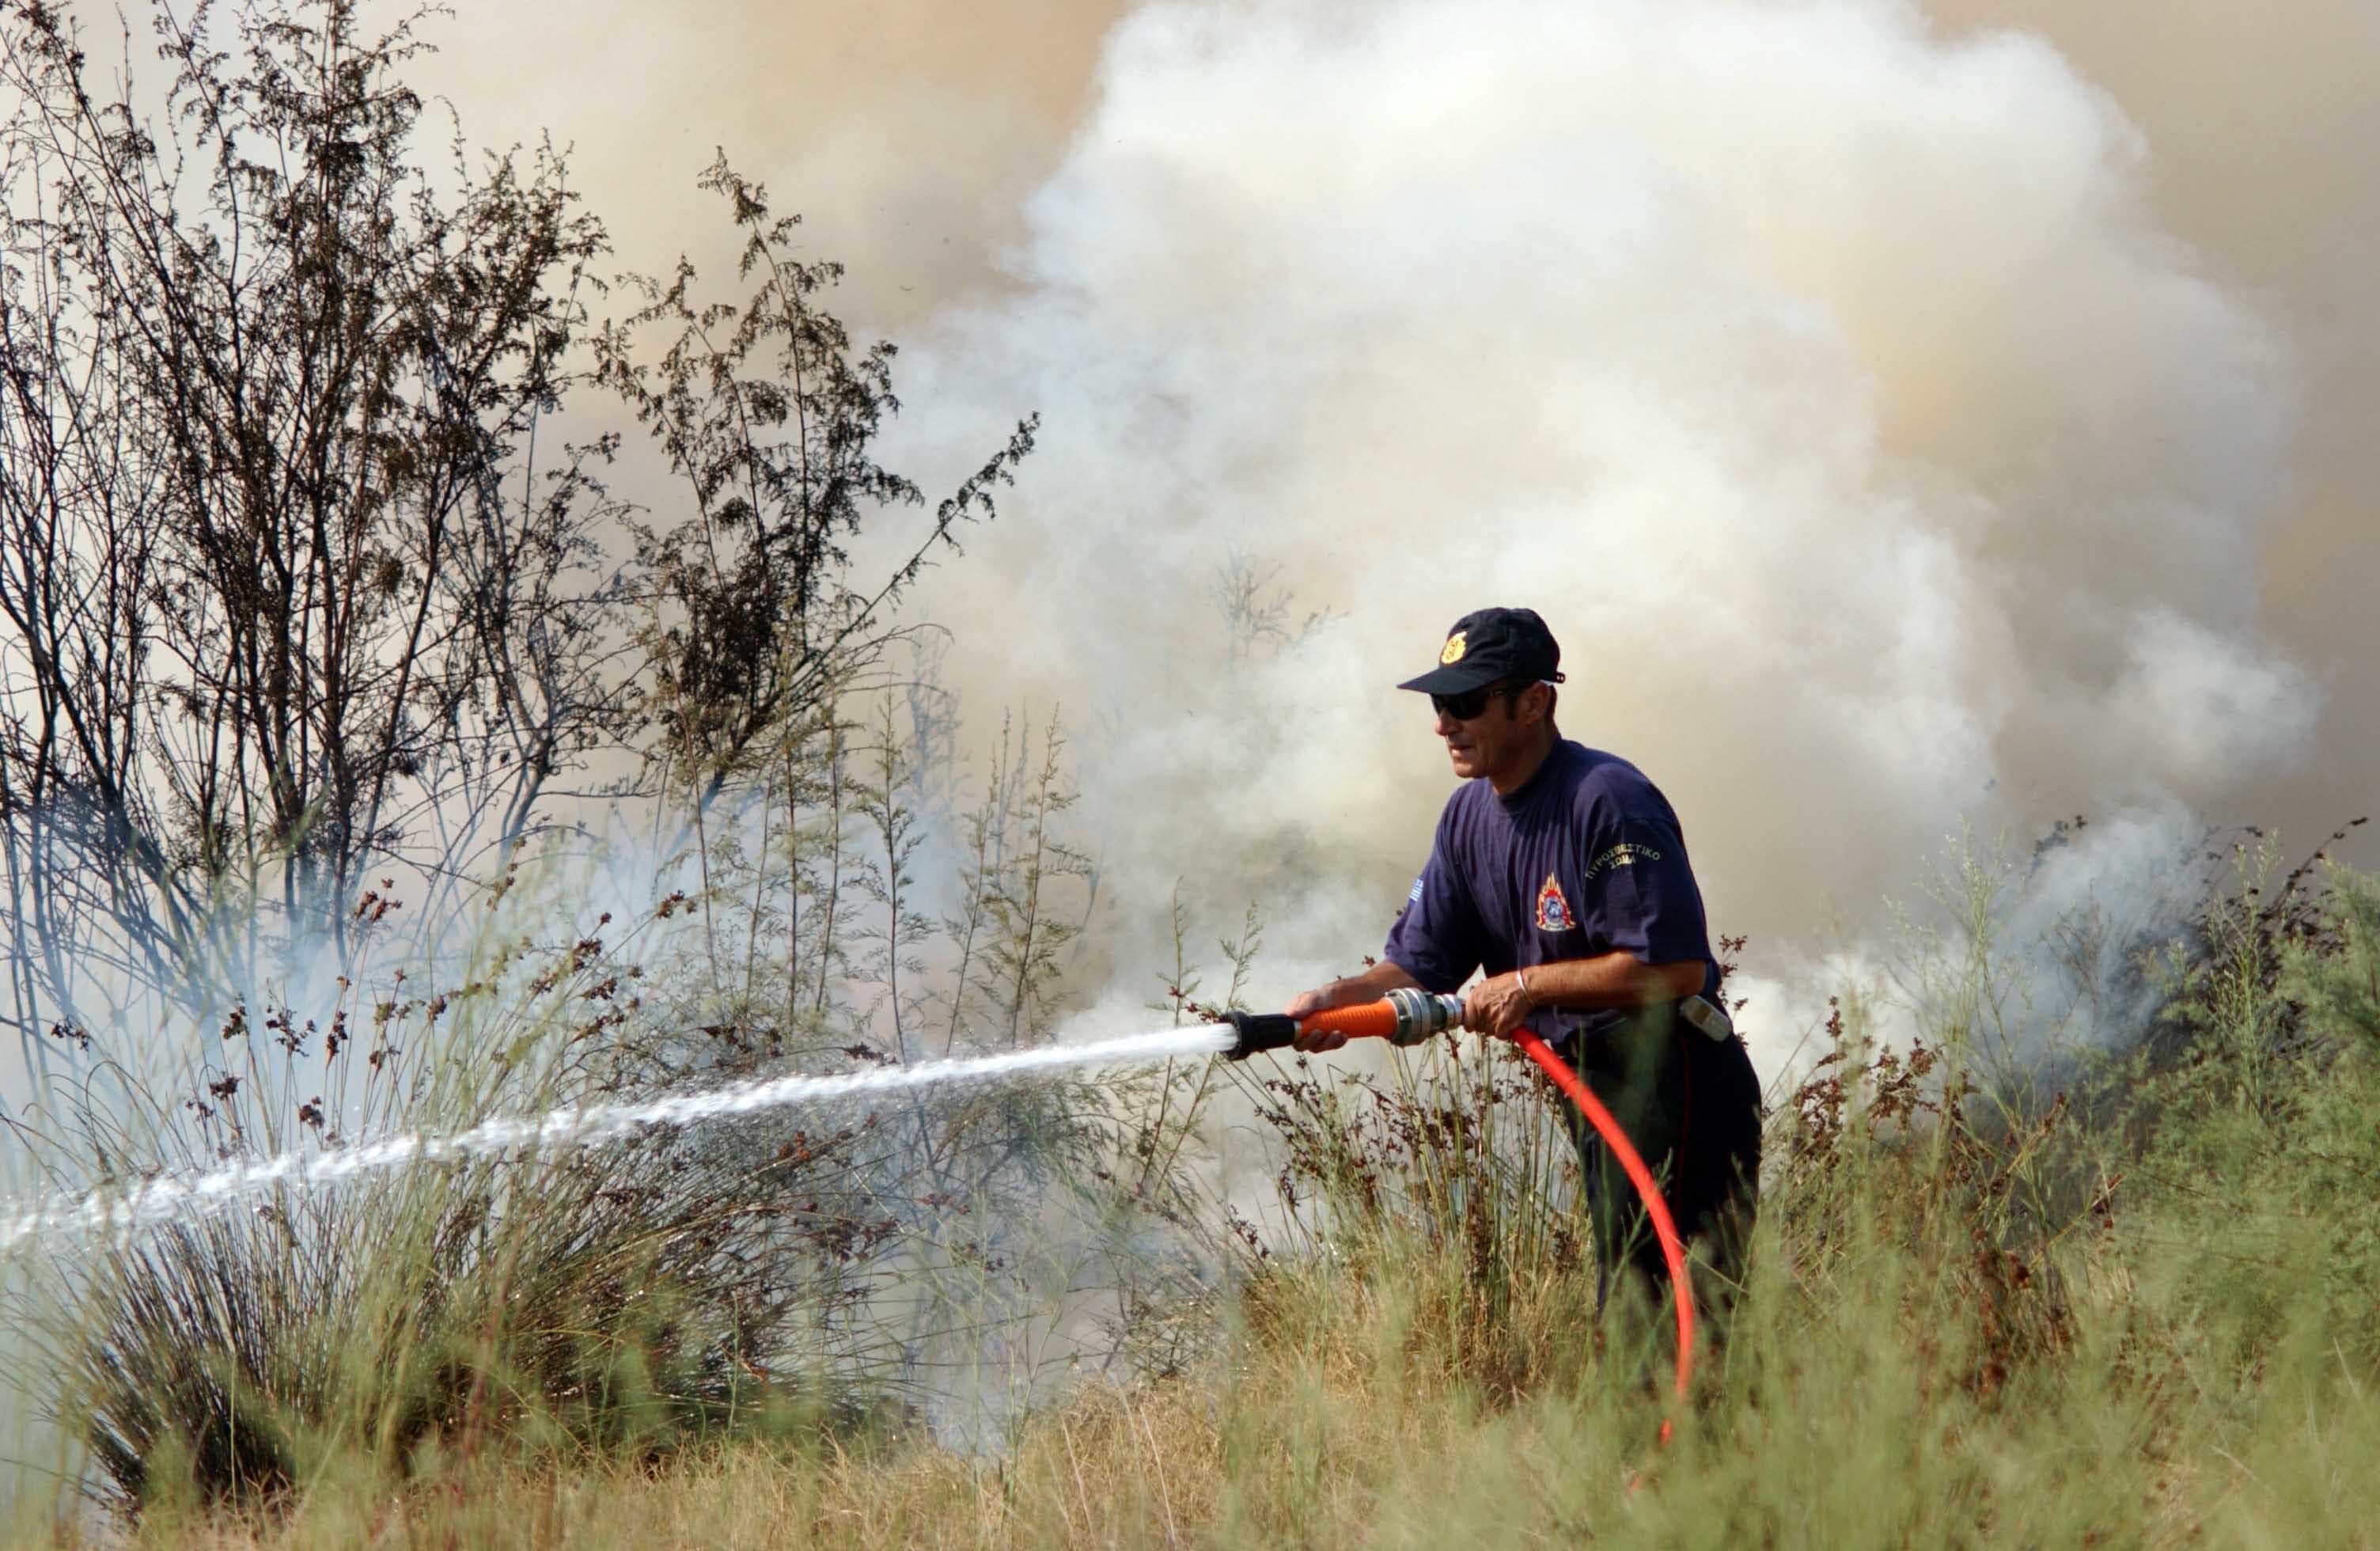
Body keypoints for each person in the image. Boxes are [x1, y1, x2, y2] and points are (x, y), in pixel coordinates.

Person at [1287, 606, 1760, 1317]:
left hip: (1679, 1081)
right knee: (1634, 1304)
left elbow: (1674, 968)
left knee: (1677, 1316)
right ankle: (1667, 1425)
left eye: (1467, 702)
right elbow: (1422, 963)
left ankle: (1697, 1426)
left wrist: (1528, 985)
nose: (1444, 723)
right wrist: (1345, 995)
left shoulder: (1607, 800)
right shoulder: (1466, 818)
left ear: (1534, 701)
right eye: (1442, 704)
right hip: (1596, 1087)